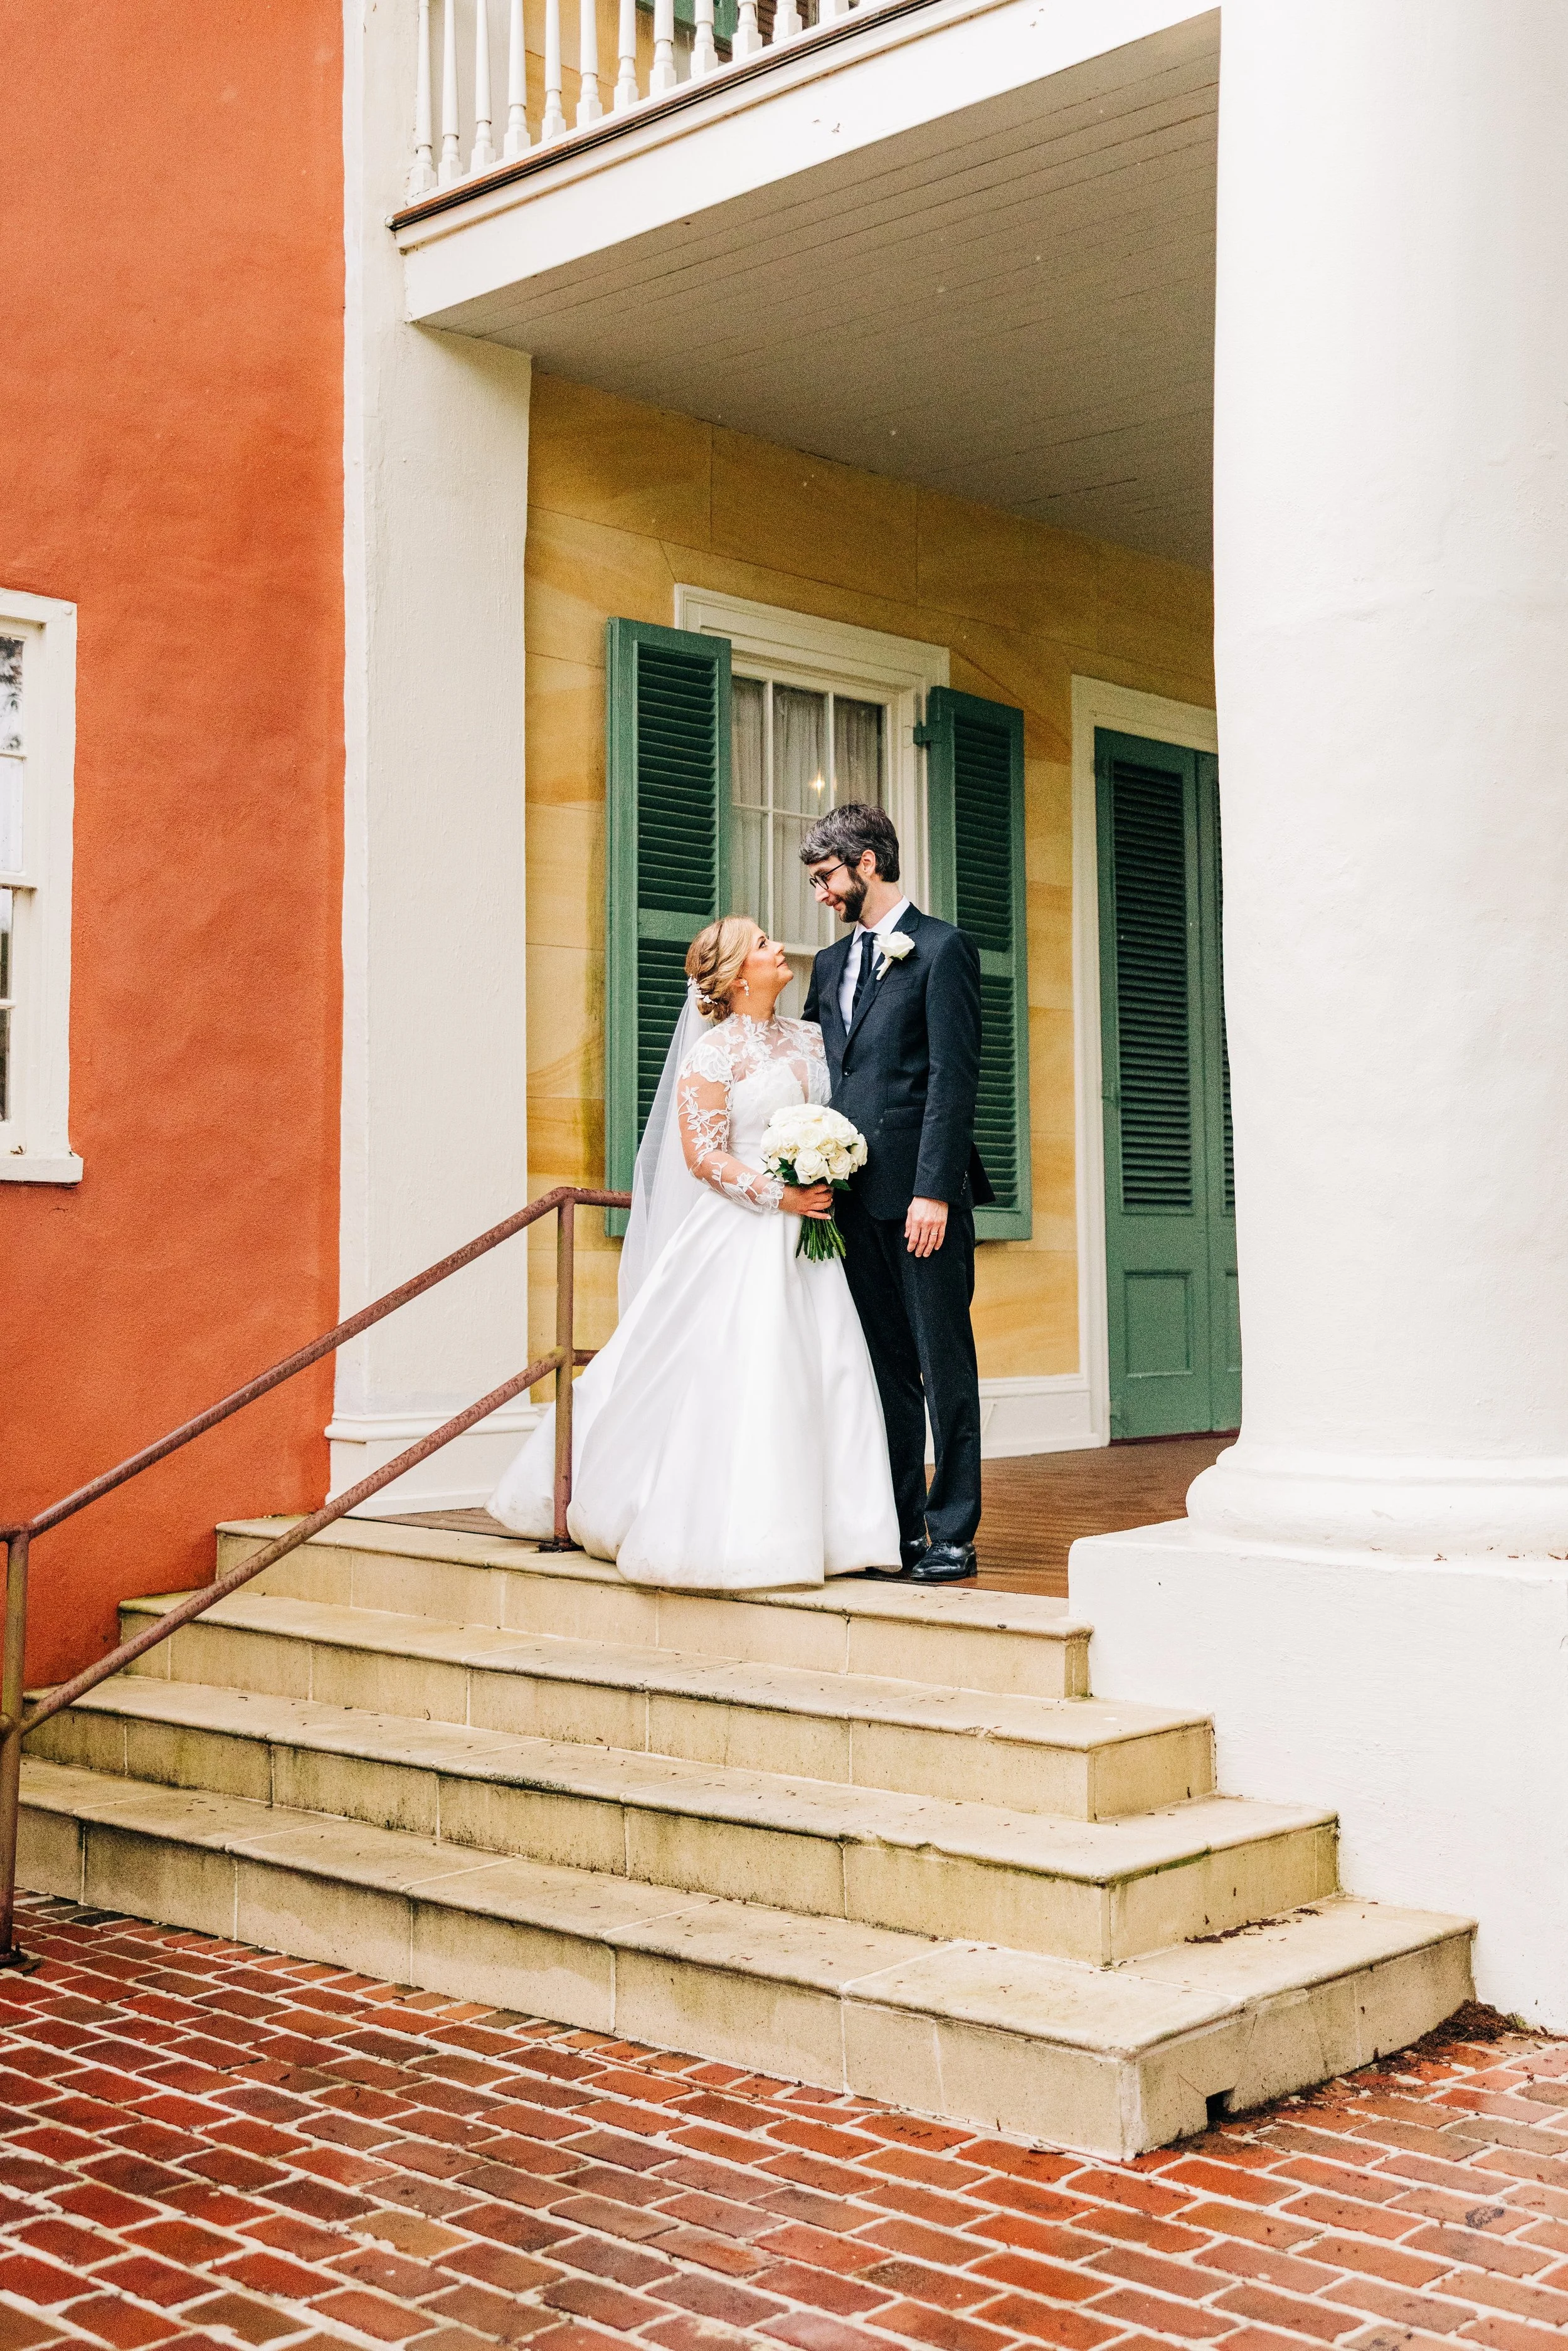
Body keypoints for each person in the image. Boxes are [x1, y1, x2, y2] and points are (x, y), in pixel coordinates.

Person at [489, 916, 901, 1588]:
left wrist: (827, 1165)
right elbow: (702, 1155)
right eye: (764, 943)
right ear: (740, 975)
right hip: (741, 1232)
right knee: (743, 1369)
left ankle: (846, 1529)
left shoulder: (811, 1036)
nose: (777, 947)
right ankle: (729, 1526)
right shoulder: (712, 1054)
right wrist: (779, 1196)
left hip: (815, 1243)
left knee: (829, 1370)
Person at [800, 804, 990, 1583]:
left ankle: (953, 1531)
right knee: (882, 1368)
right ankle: (901, 1525)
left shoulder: (942, 949)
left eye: (825, 877)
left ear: (867, 863)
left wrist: (934, 1191)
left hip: (920, 1199)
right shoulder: (825, 964)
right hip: (849, 1200)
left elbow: (954, 1076)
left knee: (942, 1362)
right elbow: (822, 1073)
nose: (818, 893)